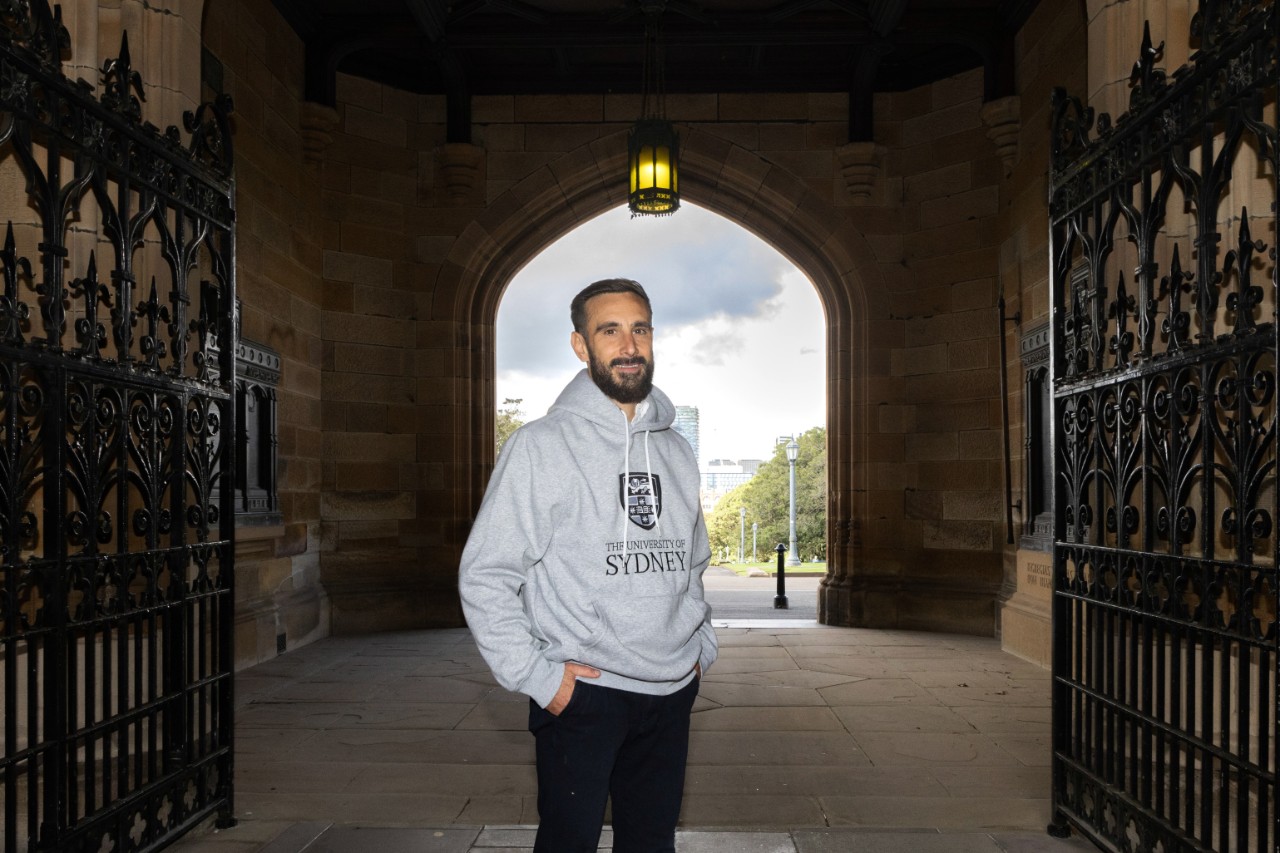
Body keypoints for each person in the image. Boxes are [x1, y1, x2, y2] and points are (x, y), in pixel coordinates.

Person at [459, 278, 717, 853]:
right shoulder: (540, 446)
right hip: (586, 695)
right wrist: (540, 679)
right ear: (581, 345)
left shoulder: (675, 449)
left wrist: (701, 650)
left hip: (672, 690)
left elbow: (694, 562)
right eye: (610, 331)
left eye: (640, 329)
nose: (629, 345)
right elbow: (486, 574)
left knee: (652, 844)